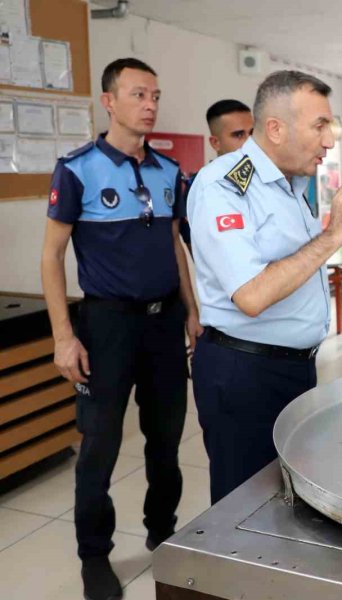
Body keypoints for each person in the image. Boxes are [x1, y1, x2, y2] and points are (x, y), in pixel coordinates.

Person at [40, 57, 201, 600]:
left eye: (155, 94)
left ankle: (163, 533)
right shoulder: (78, 168)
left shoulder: (166, 172)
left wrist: (192, 309)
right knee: (100, 448)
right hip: (107, 326)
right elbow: (51, 257)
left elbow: (175, 243)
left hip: (163, 327)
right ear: (109, 101)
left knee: (166, 442)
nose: (150, 104)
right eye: (138, 94)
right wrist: (64, 336)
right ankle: (95, 556)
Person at [187, 70, 342, 504]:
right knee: (243, 504)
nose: (329, 141)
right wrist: (333, 235)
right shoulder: (223, 187)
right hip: (244, 371)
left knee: (286, 495)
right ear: (275, 128)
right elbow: (251, 295)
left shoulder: (292, 183)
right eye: (319, 126)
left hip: (292, 366)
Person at [180, 99, 254, 252]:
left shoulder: (270, 178)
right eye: (238, 135)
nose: (249, 142)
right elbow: (199, 252)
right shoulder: (200, 187)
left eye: (252, 133)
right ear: (215, 143)